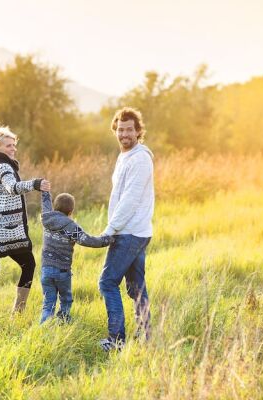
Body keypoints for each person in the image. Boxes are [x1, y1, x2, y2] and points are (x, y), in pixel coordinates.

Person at [0, 125, 50, 312]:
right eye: (8, 146)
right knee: (28, 265)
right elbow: (12, 187)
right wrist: (36, 184)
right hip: (3, 231)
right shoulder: (4, 167)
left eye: (14, 145)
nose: (13, 148)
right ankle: (18, 312)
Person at [98, 107, 155, 351]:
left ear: (138, 131)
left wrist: (110, 230)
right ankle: (146, 337)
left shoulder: (140, 158)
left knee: (107, 282)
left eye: (129, 130)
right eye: (120, 130)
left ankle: (117, 341)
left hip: (130, 233)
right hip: (132, 231)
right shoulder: (125, 157)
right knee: (136, 288)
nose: (124, 134)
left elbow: (130, 200)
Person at [39, 191, 113, 324]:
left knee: (48, 302)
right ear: (71, 211)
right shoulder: (71, 226)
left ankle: (44, 329)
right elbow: (88, 240)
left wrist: (45, 192)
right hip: (62, 271)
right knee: (66, 299)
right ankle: (63, 322)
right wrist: (107, 240)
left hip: (46, 270)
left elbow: (45, 204)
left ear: (55, 207)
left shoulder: (46, 218)